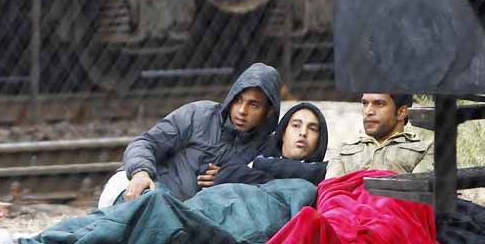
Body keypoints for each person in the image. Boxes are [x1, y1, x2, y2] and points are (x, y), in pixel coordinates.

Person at [101, 63, 281, 206]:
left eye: (254, 105)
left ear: (269, 111)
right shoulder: (199, 115)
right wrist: (141, 172)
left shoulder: (264, 148)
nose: (242, 111)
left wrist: (234, 176)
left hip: (185, 220)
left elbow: (276, 184)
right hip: (140, 188)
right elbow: (145, 143)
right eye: (238, 100)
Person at [204, 102, 330, 187]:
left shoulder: (326, 173)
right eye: (296, 125)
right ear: (282, 133)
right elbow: (228, 171)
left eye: (312, 128)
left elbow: (316, 172)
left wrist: (259, 165)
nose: (303, 133)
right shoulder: (261, 149)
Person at [324, 94, 433, 177]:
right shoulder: (342, 152)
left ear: (401, 112)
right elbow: (330, 192)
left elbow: (417, 194)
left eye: (379, 104)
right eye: (365, 103)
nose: (368, 111)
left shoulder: (426, 149)